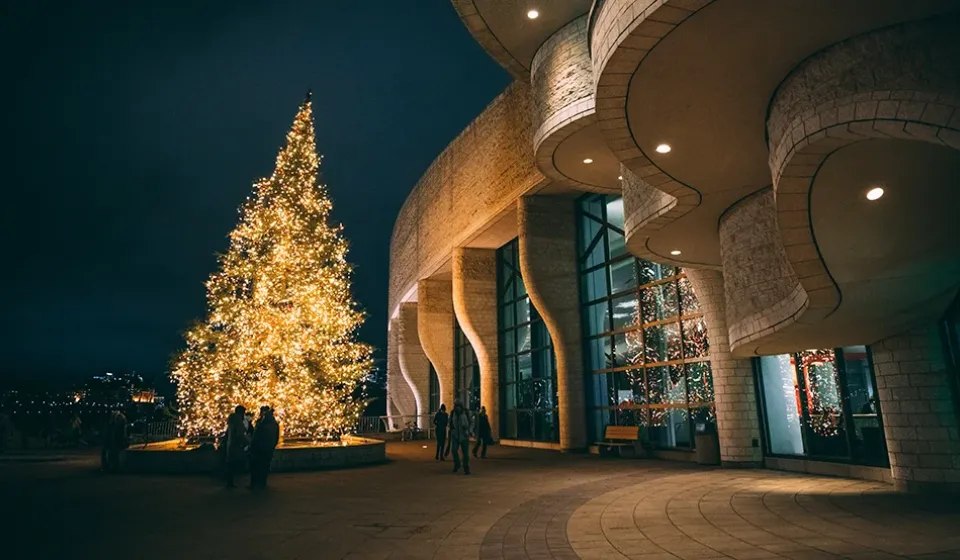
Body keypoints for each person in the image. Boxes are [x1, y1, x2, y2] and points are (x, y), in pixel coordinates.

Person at [249, 406, 280, 489]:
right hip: (269, 448)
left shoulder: (261, 424)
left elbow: (256, 436)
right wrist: (273, 445)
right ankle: (262, 482)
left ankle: (254, 483)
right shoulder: (274, 424)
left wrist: (252, 446)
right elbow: (276, 437)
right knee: (265, 465)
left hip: (260, 448)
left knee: (256, 465)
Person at [224, 405, 249, 488]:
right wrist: (246, 442)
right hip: (236, 446)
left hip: (231, 444)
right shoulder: (238, 421)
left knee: (230, 463)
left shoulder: (231, 420)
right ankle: (230, 482)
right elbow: (240, 434)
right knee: (233, 463)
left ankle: (229, 482)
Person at [448, 400, 472, 475]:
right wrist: (452, 430)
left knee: (465, 454)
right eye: (456, 406)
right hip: (455, 435)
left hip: (464, 435)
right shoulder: (452, 414)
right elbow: (450, 423)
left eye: (459, 406)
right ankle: (457, 464)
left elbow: (471, 422)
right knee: (454, 450)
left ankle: (466, 467)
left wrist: (469, 430)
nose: (457, 408)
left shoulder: (466, 413)